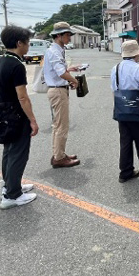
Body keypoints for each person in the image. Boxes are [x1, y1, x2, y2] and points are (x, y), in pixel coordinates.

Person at [0, 26, 39, 209]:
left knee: (9, 152)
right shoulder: (16, 65)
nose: (28, 46)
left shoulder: (0, 61)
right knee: (18, 154)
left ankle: (10, 186)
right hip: (16, 115)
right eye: (27, 43)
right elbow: (22, 96)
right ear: (19, 43)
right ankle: (12, 195)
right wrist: (32, 120)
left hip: (3, 112)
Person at [111, 40, 139, 183]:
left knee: (125, 141)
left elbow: (114, 92)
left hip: (122, 111)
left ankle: (125, 171)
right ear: (136, 54)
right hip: (138, 110)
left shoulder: (115, 69)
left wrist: (118, 108)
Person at [43, 22, 81, 168]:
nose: (69, 38)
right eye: (67, 35)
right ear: (58, 35)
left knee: (58, 125)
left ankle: (59, 153)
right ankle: (59, 158)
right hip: (58, 91)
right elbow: (61, 73)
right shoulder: (55, 51)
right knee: (62, 126)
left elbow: (59, 71)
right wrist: (74, 81)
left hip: (57, 88)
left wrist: (69, 69)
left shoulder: (56, 50)